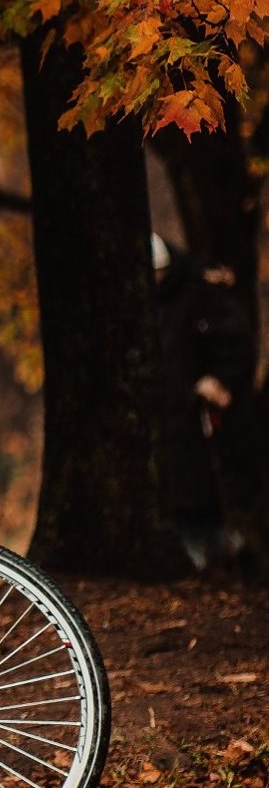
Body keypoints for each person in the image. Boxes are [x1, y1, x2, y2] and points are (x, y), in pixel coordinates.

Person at [152, 234, 257, 571]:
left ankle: (231, 561)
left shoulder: (199, 294)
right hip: (168, 420)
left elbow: (238, 343)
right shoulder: (147, 302)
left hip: (202, 419)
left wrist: (221, 380)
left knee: (212, 494)